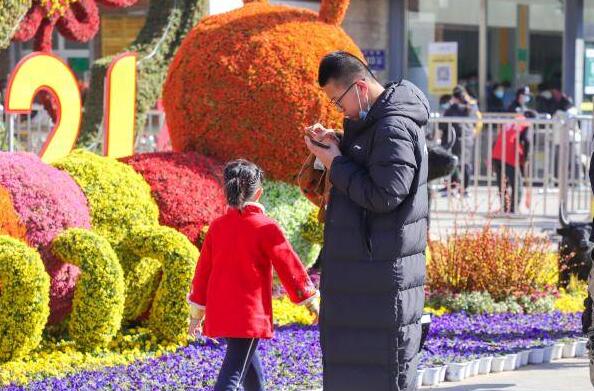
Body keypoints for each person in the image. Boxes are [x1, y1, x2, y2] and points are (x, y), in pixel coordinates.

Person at [303, 51, 429, 391]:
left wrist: (336, 163)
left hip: (380, 275)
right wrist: (337, 145)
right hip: (366, 274)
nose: (339, 110)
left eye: (338, 101)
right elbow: (372, 166)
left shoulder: (393, 126)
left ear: (359, 87)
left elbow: (385, 194)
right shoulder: (375, 123)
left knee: (380, 375)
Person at [187, 159, 320, 391]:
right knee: (232, 377)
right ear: (259, 193)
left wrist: (197, 312)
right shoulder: (265, 226)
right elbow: (289, 265)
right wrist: (310, 301)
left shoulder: (217, 226)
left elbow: (203, 272)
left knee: (250, 370)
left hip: (222, 311)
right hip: (247, 315)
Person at [439, 85, 480, 197]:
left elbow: (442, 125)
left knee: (453, 163)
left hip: (454, 140)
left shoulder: (452, 109)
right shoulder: (472, 107)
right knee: (466, 164)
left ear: (455, 97)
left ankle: (451, 187)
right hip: (468, 139)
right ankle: (464, 189)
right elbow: (477, 121)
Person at [491, 111, 535, 213]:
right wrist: (526, 158)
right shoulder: (526, 123)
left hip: (497, 153)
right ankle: (513, 208)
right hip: (509, 155)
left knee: (502, 183)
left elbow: (497, 138)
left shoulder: (510, 121)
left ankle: (505, 207)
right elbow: (527, 140)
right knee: (517, 183)